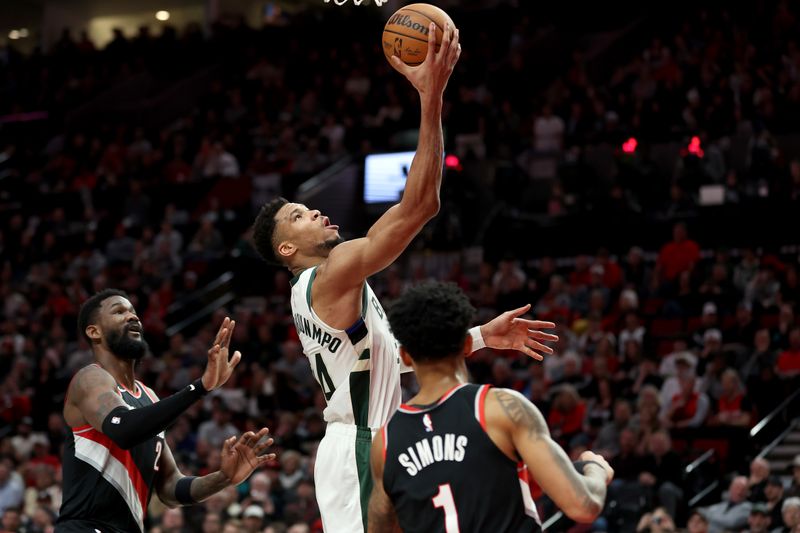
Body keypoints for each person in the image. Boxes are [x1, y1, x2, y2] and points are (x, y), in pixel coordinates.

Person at [251, 24, 557, 533]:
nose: (318, 213)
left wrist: (480, 336)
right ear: (288, 248)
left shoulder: (334, 290)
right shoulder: (329, 276)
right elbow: (421, 205)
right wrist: (431, 95)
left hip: (375, 438)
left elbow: (392, 364)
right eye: (302, 215)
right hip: (358, 443)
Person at [367, 281, 613, 532]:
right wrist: (595, 469)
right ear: (466, 344)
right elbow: (584, 505)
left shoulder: (384, 443)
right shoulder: (500, 408)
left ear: (406, 356)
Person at [56, 289, 276, 532]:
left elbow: (171, 488)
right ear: (93, 331)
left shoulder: (149, 397)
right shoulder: (90, 378)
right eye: (119, 311)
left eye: (134, 312)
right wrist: (200, 386)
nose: (133, 317)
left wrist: (223, 478)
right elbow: (124, 429)